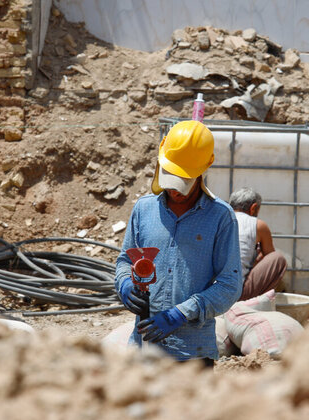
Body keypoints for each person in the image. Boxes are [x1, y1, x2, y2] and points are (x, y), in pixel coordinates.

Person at [115, 120, 243, 364]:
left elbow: (229, 285)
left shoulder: (220, 218)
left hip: (192, 354)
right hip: (144, 350)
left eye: (182, 181)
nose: (174, 190)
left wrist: (181, 314)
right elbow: (124, 261)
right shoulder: (144, 209)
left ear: (204, 169)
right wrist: (125, 286)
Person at [229, 187, 287, 300]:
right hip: (236, 293)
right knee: (278, 259)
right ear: (253, 208)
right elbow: (270, 257)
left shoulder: (219, 220)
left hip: (212, 292)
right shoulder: (258, 225)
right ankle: (259, 302)